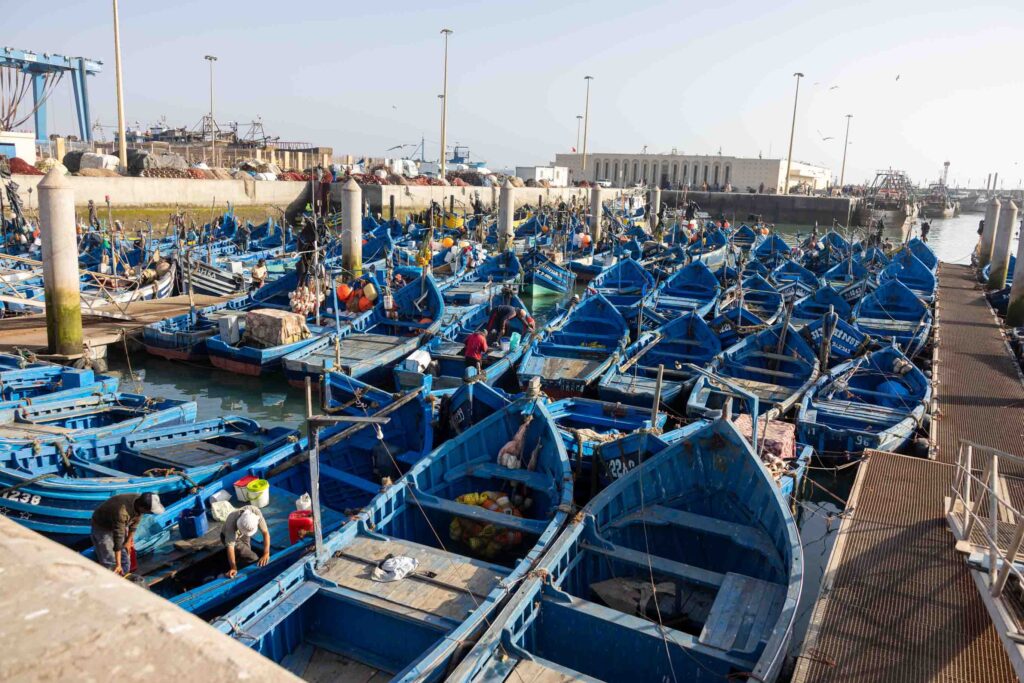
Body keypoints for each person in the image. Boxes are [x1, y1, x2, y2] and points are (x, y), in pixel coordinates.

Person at [90, 492, 165, 575]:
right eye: (150, 512)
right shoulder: (122, 513)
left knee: (125, 558)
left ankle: (124, 575)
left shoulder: (140, 500)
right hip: (103, 526)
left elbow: (135, 522)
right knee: (109, 560)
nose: (151, 513)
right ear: (142, 508)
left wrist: (128, 541)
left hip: (120, 522)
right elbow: (118, 539)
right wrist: (118, 565)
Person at [221, 504, 271, 579]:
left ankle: (239, 564)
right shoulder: (231, 523)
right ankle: (234, 570)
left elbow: (266, 533)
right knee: (253, 558)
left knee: (246, 553)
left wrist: (266, 553)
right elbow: (230, 547)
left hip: (243, 535)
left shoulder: (255, 512)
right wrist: (233, 567)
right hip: (229, 537)